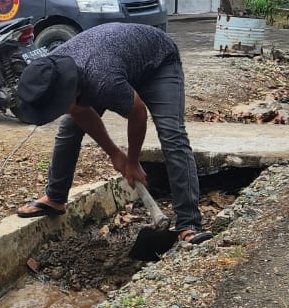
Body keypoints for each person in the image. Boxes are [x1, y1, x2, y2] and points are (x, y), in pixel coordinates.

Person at [14, 22, 212, 245]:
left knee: (172, 135)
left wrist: (133, 161)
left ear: (74, 91)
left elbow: (137, 113)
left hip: (159, 61)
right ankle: (55, 198)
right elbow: (80, 113)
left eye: (60, 106)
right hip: (116, 60)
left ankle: (189, 223)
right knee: (69, 129)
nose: (59, 111)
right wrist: (114, 153)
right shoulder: (50, 71)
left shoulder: (102, 80)